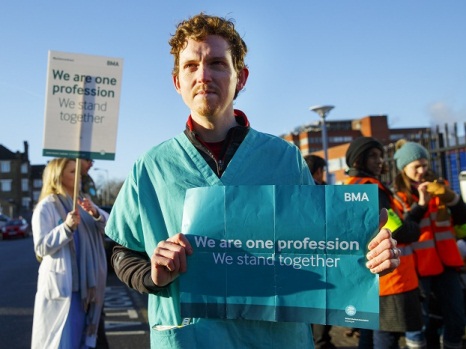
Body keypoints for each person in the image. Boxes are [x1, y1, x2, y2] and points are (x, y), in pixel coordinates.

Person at [105, 13, 400, 349]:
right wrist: (152, 274)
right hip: (189, 338)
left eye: (217, 63)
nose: (203, 75)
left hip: (274, 339)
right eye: (190, 66)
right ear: (177, 82)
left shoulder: (284, 159)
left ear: (240, 78)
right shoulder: (151, 167)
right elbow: (121, 251)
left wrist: (371, 253)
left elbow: (327, 248)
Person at [344, 137, 423, 349]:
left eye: (380, 156)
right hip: (389, 276)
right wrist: (418, 214)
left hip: (366, 273)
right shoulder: (372, 189)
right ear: (358, 160)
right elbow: (398, 230)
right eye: (372, 156)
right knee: (385, 336)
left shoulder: (351, 186)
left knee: (369, 336)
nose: (379, 161)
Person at [393, 140, 466, 349]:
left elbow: (462, 218)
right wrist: (421, 204)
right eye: (416, 166)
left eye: (425, 164)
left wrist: (452, 199)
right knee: (420, 323)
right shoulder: (399, 196)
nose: (422, 170)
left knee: (456, 317)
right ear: (404, 168)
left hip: (448, 263)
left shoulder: (441, 185)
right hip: (418, 267)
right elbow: (403, 230)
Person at [31, 158, 108, 349]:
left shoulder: (82, 202)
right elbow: (41, 247)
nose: (79, 177)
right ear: (58, 176)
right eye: (72, 172)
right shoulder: (46, 206)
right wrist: (66, 228)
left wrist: (95, 213)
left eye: (77, 172)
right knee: (65, 342)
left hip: (88, 290)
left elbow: (111, 227)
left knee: (85, 341)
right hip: (66, 288)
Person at [304, 154, 335, 349]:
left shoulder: (294, 190)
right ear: (318, 171)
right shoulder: (323, 191)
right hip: (324, 256)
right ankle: (322, 342)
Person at [80, 158, 110, 349]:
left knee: (97, 336)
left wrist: (96, 213)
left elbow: (108, 224)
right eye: (87, 160)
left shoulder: (84, 192)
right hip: (75, 285)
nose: (91, 164)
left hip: (93, 283)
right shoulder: (52, 203)